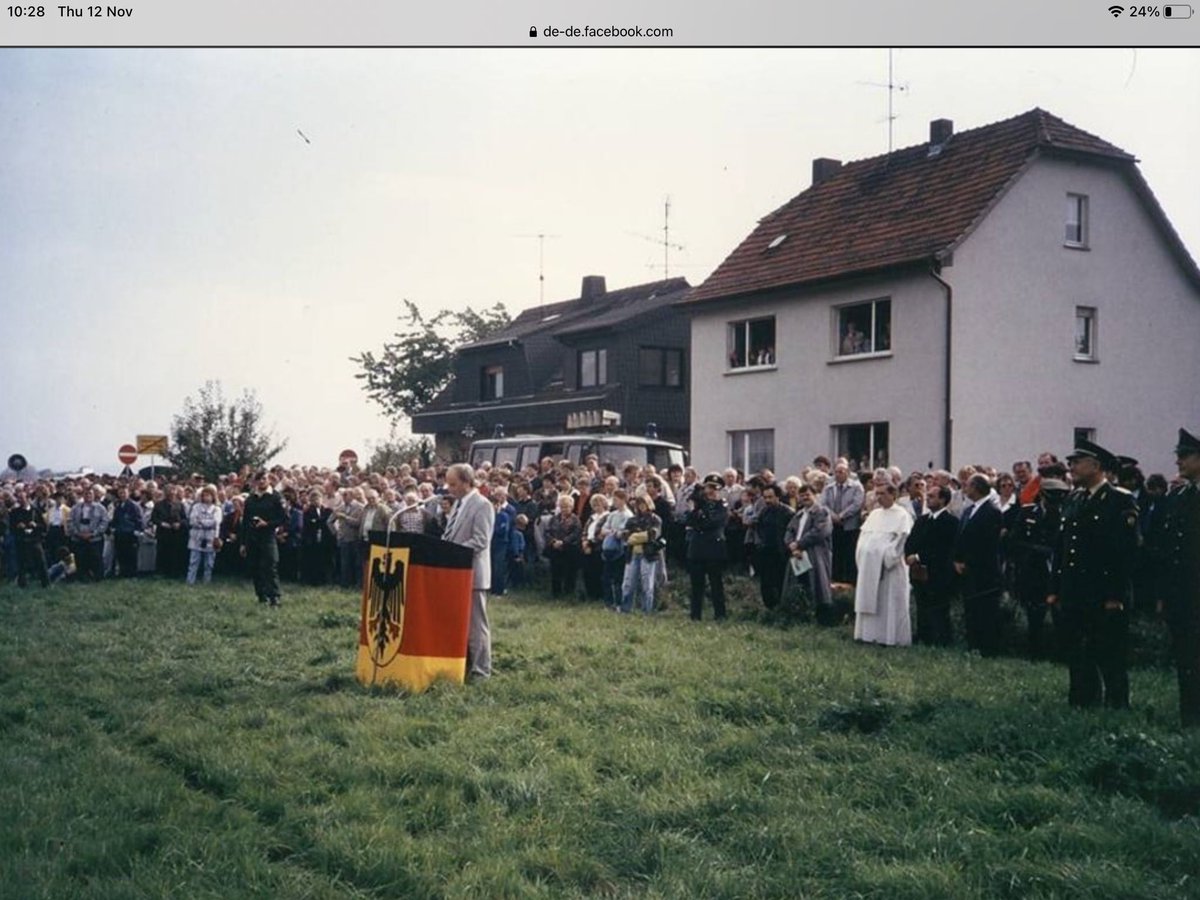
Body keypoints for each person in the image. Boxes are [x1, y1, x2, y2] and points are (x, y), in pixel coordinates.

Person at [1048, 440, 1139, 709]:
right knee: (1076, 652)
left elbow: (1124, 554)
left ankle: (1116, 706)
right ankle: (1082, 703)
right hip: (1074, 590)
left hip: (1103, 592)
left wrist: (1115, 595)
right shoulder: (1074, 498)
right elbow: (1063, 548)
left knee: (1109, 653)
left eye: (1077, 462)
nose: (1071, 467)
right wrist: (1055, 588)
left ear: (1096, 466)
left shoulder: (1118, 500)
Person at [1156, 428, 1200, 727]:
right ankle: (1191, 716)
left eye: (1184, 456)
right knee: (1186, 658)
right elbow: (1166, 551)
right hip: (1183, 595)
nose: (1178, 462)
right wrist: (1163, 594)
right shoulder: (1179, 497)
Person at [441, 463, 495, 680]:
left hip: (473, 574)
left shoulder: (482, 505)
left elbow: (481, 540)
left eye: (453, 484)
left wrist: (453, 550)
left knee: (476, 625)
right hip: (456, 574)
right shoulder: (458, 504)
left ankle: (482, 671)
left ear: (466, 482)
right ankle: (463, 665)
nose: (449, 488)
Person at [1008, 478, 1070, 659]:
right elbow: (1014, 540)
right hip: (1032, 570)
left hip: (1055, 571)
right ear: (1042, 495)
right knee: (1034, 615)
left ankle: (1061, 654)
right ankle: (1033, 653)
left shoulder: (1065, 515)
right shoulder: (1028, 512)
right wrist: (1032, 551)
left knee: (1060, 616)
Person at [853, 483, 913, 646]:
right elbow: (863, 538)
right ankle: (867, 635)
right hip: (869, 566)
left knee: (889, 603)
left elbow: (901, 542)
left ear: (893, 495)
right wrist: (864, 554)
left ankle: (889, 638)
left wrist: (885, 557)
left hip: (889, 569)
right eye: (876, 494)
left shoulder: (902, 515)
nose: (878, 497)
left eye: (882, 494)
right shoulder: (874, 514)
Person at [953, 473, 1004, 656]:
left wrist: (969, 562)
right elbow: (961, 538)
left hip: (983, 570)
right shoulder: (968, 511)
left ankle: (987, 648)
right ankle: (972, 645)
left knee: (985, 611)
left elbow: (987, 544)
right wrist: (957, 560)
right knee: (971, 610)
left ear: (976, 487)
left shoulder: (992, 512)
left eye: (967, 485)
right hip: (966, 569)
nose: (964, 489)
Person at [904, 484, 960, 646]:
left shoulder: (950, 522)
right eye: (927, 496)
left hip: (939, 572)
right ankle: (923, 636)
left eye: (932, 496)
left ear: (943, 499)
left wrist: (919, 556)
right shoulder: (922, 520)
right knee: (922, 605)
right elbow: (911, 541)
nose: (927, 499)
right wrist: (909, 555)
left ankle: (942, 639)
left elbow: (943, 548)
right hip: (918, 571)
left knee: (939, 607)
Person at [783, 483, 833, 622]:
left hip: (815, 553)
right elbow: (789, 531)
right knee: (799, 583)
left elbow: (820, 532)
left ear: (815, 496)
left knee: (817, 584)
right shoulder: (798, 514)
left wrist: (799, 544)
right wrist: (791, 545)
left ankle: (822, 618)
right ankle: (801, 615)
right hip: (797, 554)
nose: (805, 497)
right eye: (802, 495)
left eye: (808, 494)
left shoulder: (822, 512)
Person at [685, 473, 729, 621]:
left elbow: (714, 522)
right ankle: (695, 615)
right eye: (709, 487)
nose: (711, 491)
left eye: (714, 488)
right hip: (698, 547)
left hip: (714, 548)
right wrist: (696, 511)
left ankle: (720, 614)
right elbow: (689, 521)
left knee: (716, 583)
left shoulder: (721, 505)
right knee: (696, 584)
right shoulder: (698, 504)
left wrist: (700, 517)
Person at [240, 471, 286, 606]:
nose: (261, 482)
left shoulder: (276, 497)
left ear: (269, 480)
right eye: (258, 479)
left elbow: (284, 518)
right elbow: (245, 522)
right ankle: (261, 596)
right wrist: (243, 543)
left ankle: (274, 597)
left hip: (268, 535)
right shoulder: (250, 499)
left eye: (264, 479)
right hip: (252, 537)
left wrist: (267, 524)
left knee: (270, 566)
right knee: (255, 567)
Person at [822, 462, 865, 583]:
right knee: (836, 554)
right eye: (836, 472)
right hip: (833, 526)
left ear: (847, 472)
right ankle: (836, 580)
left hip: (850, 526)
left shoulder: (856, 487)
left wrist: (842, 516)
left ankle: (851, 582)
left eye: (841, 472)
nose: (838, 474)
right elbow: (823, 504)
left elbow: (857, 504)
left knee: (850, 555)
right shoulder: (829, 487)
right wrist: (833, 516)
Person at [620, 494, 663, 614]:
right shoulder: (631, 520)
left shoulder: (656, 519)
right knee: (628, 584)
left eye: (643, 503)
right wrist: (641, 536)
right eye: (639, 504)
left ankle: (647, 610)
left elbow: (653, 535)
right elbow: (625, 536)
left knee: (647, 584)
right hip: (632, 554)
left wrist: (635, 536)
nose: (641, 506)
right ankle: (625, 609)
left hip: (648, 554)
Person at [753, 484, 791, 609]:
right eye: (765, 497)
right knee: (766, 582)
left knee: (780, 581)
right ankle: (769, 608)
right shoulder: (764, 511)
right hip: (765, 551)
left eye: (770, 497)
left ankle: (782, 608)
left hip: (781, 553)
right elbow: (758, 527)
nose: (767, 500)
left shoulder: (788, 512)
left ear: (778, 497)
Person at [9, 488, 49, 588]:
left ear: (28, 499)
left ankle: (45, 583)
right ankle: (22, 584)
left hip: (34, 540)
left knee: (41, 562)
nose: (20, 500)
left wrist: (36, 525)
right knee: (21, 563)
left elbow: (44, 527)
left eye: (22, 498)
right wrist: (17, 526)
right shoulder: (14, 512)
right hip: (21, 540)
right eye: (19, 499)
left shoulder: (36, 511)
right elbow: (11, 528)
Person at [543, 494, 583, 598]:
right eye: (562, 506)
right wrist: (553, 541)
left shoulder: (576, 520)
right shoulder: (554, 519)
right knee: (555, 571)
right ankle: (556, 593)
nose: (564, 509)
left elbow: (576, 534)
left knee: (570, 572)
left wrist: (563, 542)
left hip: (570, 549)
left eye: (567, 506)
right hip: (555, 548)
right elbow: (547, 532)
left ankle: (568, 593)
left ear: (572, 507)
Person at [69, 485, 109, 582]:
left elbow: (104, 522)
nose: (88, 496)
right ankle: (82, 577)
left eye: (90, 494)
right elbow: (70, 521)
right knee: (80, 558)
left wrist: (93, 533)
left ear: (94, 495)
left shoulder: (100, 508)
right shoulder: (75, 508)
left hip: (95, 538)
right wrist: (77, 533)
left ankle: (98, 577)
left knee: (96, 558)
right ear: (83, 495)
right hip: (79, 537)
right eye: (86, 494)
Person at [186, 484, 223, 585]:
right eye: (204, 495)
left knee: (209, 563)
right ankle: (190, 581)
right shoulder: (196, 507)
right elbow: (192, 521)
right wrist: (206, 523)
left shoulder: (217, 509)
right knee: (193, 561)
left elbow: (216, 522)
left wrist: (202, 522)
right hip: (196, 537)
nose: (206, 497)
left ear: (213, 496)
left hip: (211, 538)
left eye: (208, 495)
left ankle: (206, 581)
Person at [110, 486, 143, 578]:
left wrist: (137, 531)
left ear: (128, 493)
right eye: (120, 493)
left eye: (124, 492)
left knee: (131, 555)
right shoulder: (118, 505)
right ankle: (123, 572)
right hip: (120, 533)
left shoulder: (134, 506)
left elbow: (139, 520)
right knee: (121, 554)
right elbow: (115, 519)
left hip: (130, 534)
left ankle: (132, 574)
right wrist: (113, 527)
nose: (122, 495)